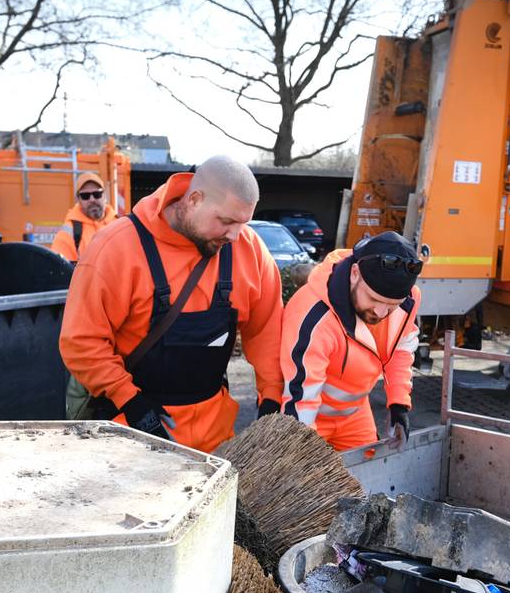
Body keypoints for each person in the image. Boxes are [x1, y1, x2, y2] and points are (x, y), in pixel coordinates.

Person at [59, 155, 283, 454]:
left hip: (215, 441)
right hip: (130, 435)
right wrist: (132, 403)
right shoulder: (117, 248)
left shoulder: (250, 250)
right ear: (193, 199)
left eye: (243, 223)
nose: (235, 235)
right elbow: (81, 342)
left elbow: (267, 331)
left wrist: (271, 396)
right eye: (226, 221)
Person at [280, 231, 422, 451]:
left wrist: (398, 402)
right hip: (308, 415)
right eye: (374, 299)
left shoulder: (408, 301)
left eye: (392, 305)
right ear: (355, 273)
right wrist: (300, 453)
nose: (381, 312)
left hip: (355, 414)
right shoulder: (313, 315)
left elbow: (400, 350)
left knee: (365, 477)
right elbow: (300, 397)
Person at [50, 171, 118, 262]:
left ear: (105, 196)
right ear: (78, 200)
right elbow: (60, 271)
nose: (92, 199)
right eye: (85, 196)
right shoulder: (67, 234)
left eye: (97, 194)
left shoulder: (120, 224)